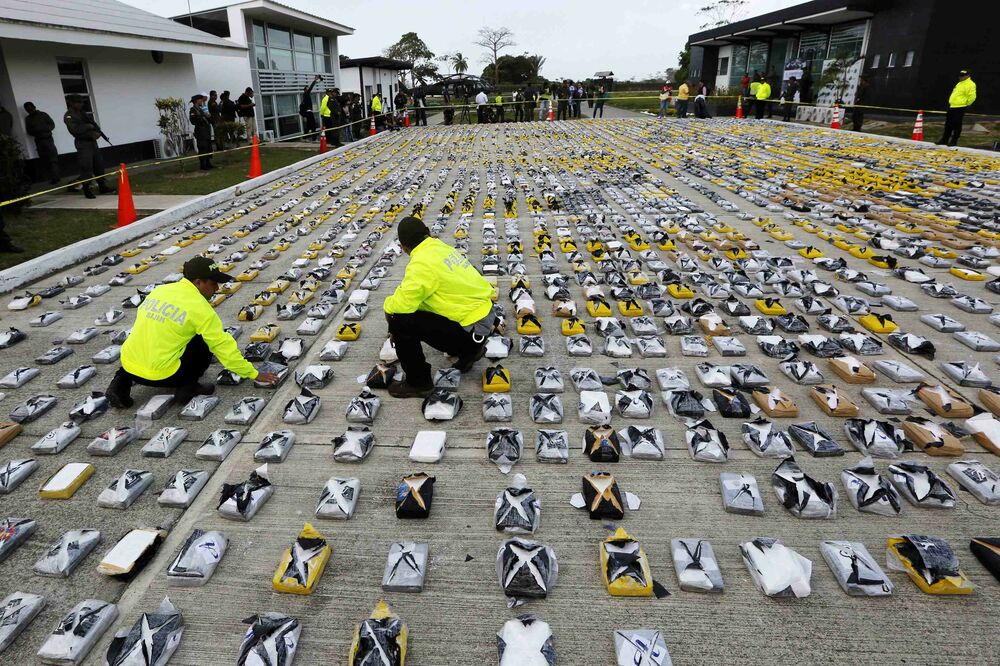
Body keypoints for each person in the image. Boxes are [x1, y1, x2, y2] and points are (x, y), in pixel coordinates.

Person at [105, 256, 279, 409]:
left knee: (147, 333)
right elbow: (222, 347)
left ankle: (120, 383)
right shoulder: (200, 308)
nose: (217, 288)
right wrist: (254, 373)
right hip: (167, 376)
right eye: (213, 283)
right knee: (203, 341)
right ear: (198, 282)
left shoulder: (159, 291)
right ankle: (188, 387)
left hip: (129, 365)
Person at [383, 217, 497, 398]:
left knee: (400, 321)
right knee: (417, 306)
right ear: (428, 233)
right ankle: (469, 353)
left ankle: (418, 382)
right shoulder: (440, 247)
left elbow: (402, 305)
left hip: (471, 331)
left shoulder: (421, 263)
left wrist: (390, 317)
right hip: (484, 321)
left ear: (403, 247)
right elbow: (415, 293)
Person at [63, 95, 113, 199]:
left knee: (98, 165)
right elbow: (75, 130)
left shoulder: (82, 113)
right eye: (78, 102)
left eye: (81, 102)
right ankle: (87, 190)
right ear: (72, 103)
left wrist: (97, 132)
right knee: (86, 167)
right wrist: (88, 127)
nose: (81, 104)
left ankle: (102, 186)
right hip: (83, 143)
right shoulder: (69, 116)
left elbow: (93, 124)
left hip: (92, 143)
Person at [22, 102, 60, 184]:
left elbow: (52, 124)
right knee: (44, 160)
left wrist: (45, 129)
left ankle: (56, 178)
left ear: (34, 107)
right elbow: (29, 131)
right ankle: (51, 178)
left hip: (48, 139)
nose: (29, 111)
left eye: (30, 108)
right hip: (39, 141)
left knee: (53, 159)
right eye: (27, 110)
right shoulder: (28, 119)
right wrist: (36, 132)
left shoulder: (43, 115)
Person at [937, 69, 977, 147]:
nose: (960, 77)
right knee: (948, 124)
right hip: (952, 106)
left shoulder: (971, 84)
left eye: (963, 76)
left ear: (968, 76)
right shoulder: (959, 84)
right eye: (960, 76)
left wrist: (966, 103)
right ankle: (944, 140)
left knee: (957, 124)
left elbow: (972, 96)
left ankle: (954, 141)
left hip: (960, 107)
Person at [188, 94, 213, 170]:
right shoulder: (193, 110)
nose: (202, 101)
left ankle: (208, 163)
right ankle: (203, 165)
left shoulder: (201, 109)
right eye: (200, 100)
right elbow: (193, 121)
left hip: (206, 130)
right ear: (196, 101)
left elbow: (208, 119)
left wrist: (208, 116)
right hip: (200, 131)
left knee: (208, 147)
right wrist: (202, 118)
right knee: (202, 148)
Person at [300, 74, 321, 141]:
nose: (308, 89)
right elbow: (311, 87)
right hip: (309, 113)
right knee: (313, 126)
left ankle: (305, 138)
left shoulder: (306, 96)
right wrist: (315, 80)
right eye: (307, 88)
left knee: (309, 126)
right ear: (305, 90)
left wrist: (317, 81)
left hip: (309, 113)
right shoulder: (306, 94)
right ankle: (314, 139)